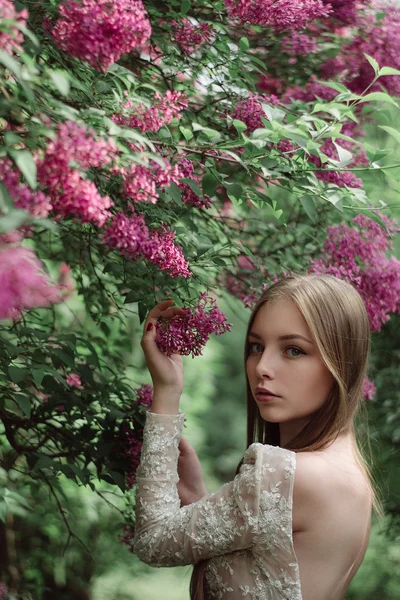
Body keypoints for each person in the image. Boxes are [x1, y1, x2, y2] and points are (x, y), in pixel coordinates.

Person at [133, 275, 383, 600]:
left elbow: (152, 540)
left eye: (293, 350)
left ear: (341, 363)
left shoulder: (292, 476)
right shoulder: (348, 472)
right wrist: (197, 497)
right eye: (256, 347)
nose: (262, 366)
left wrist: (166, 392)